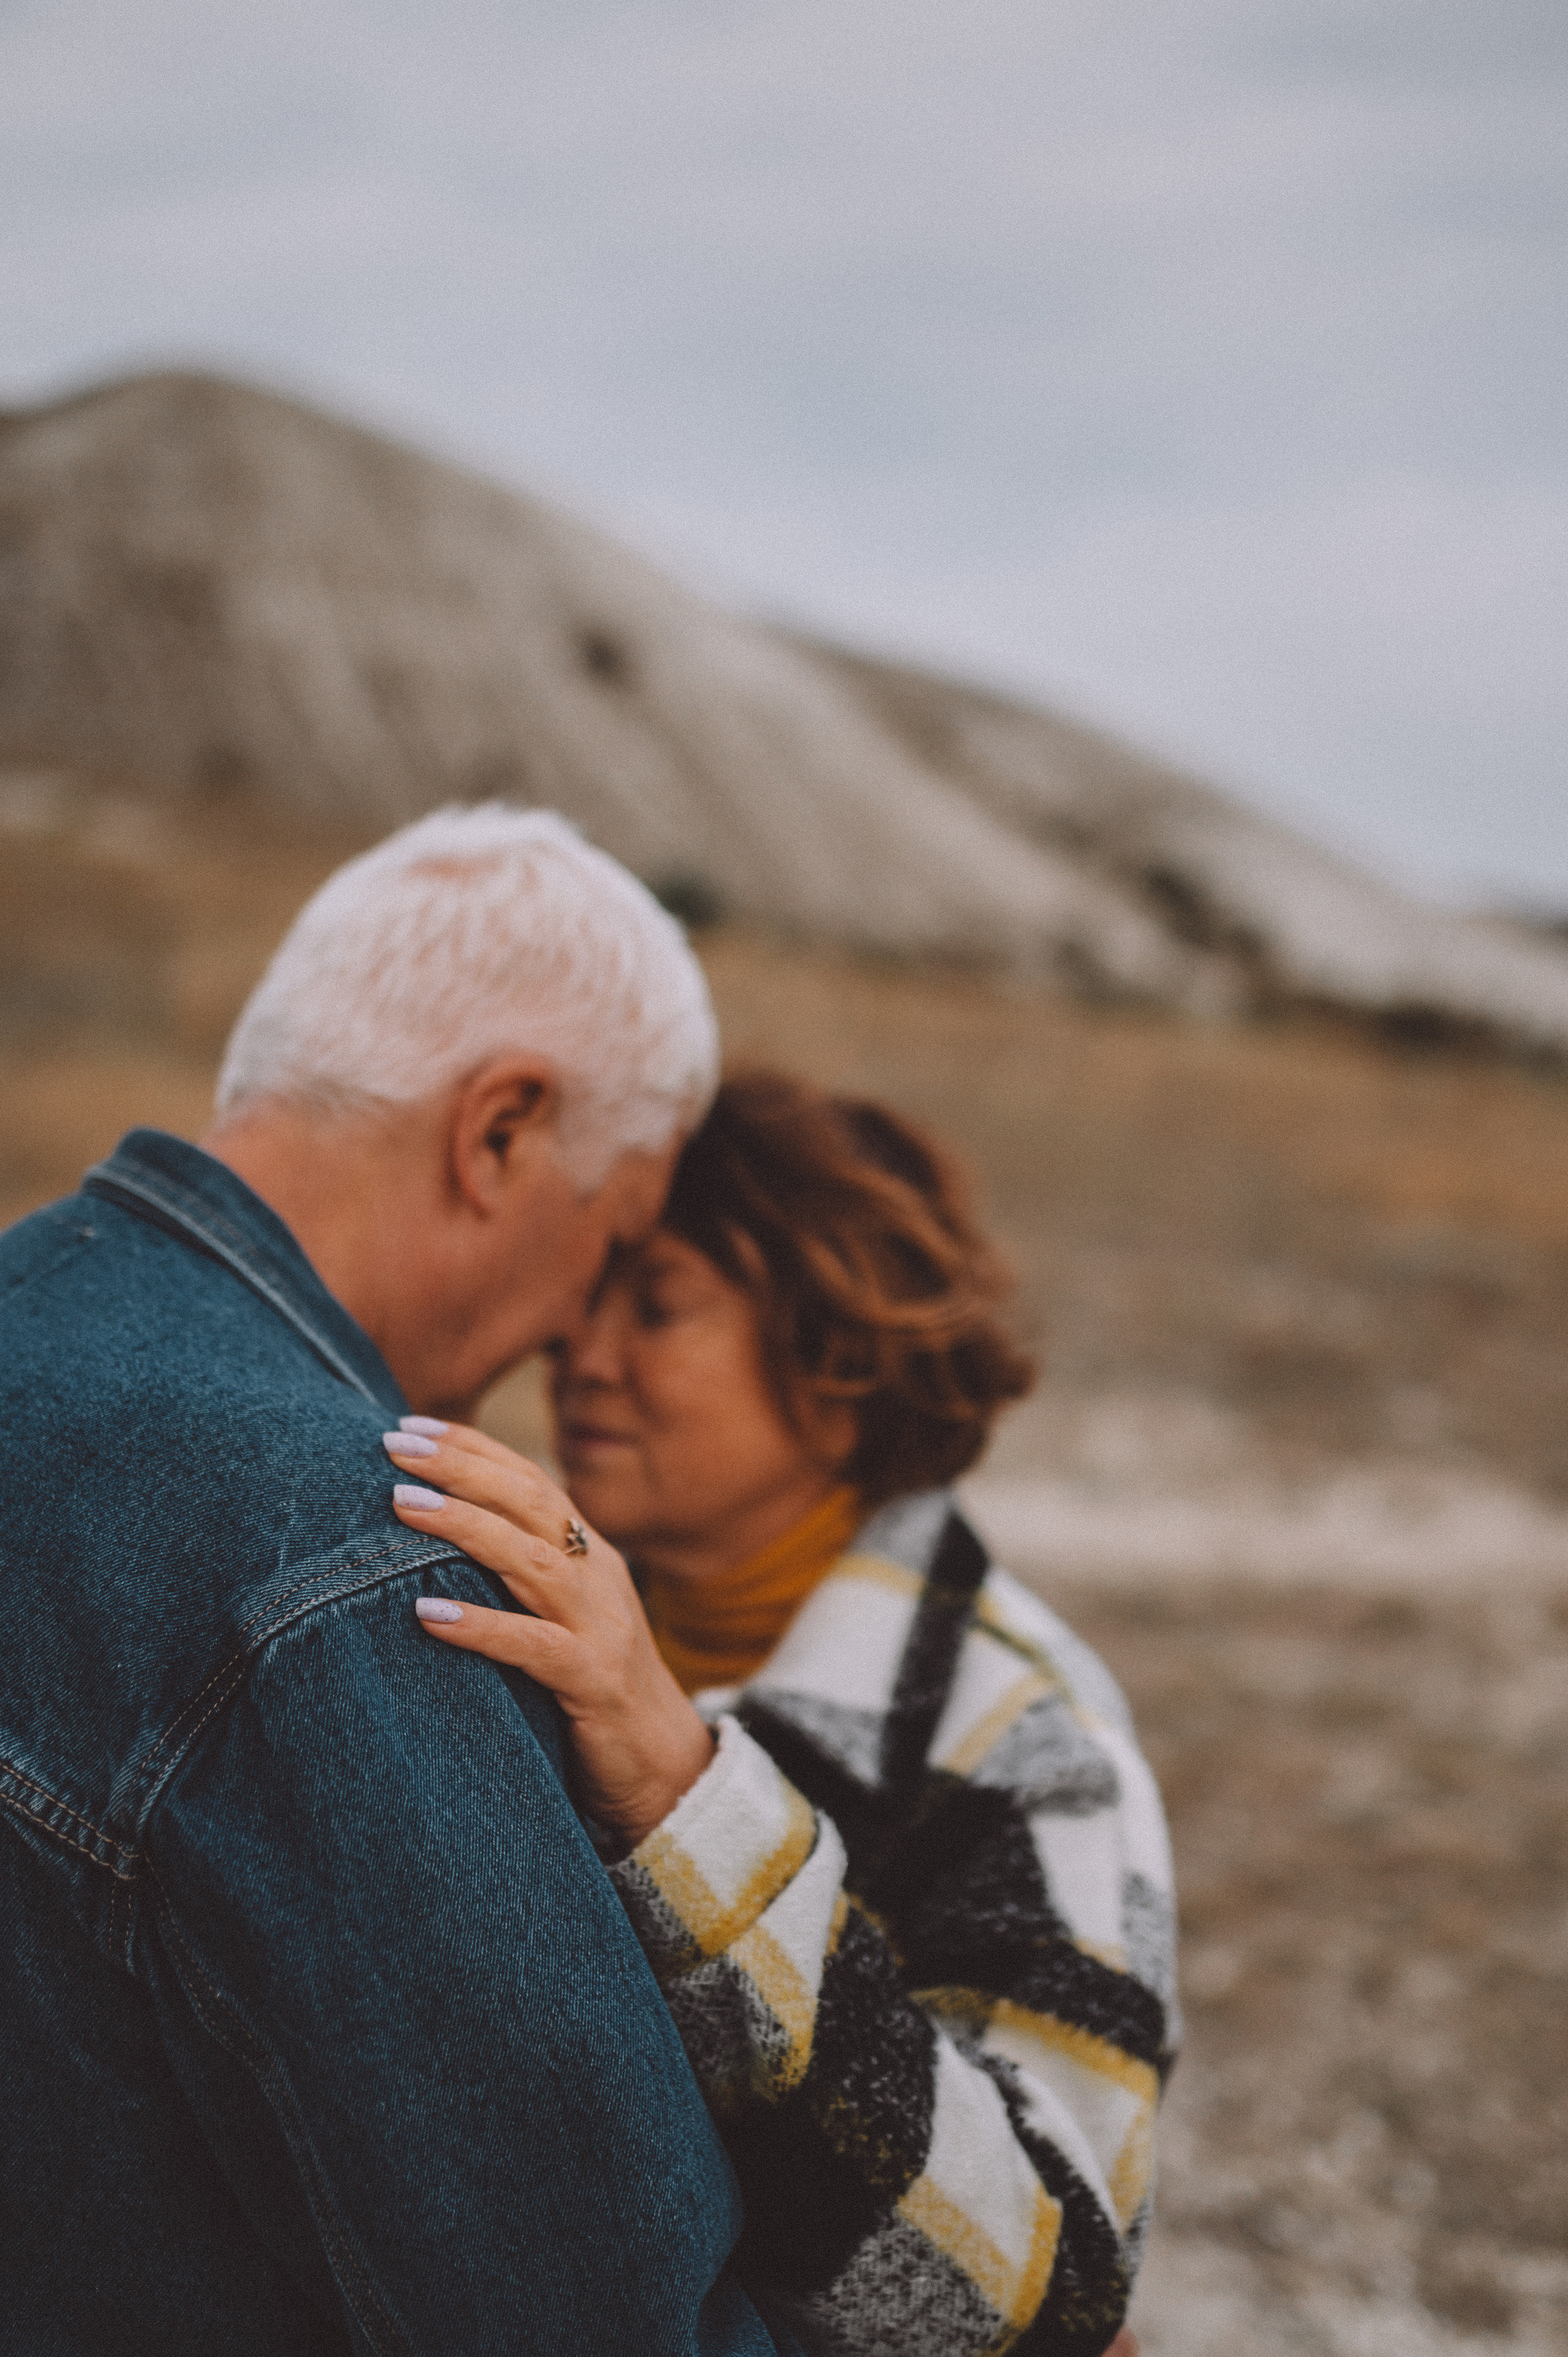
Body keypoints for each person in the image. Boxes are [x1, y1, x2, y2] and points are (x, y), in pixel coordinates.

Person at [0, 809, 797, 2355]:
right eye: (610, 1238)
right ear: (500, 1129)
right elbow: (603, 2315)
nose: (580, 1338)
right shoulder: (358, 1556)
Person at [382, 1070, 1176, 2356]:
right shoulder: (546, 1627)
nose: (580, 1352)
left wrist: (688, 1800)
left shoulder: (1025, 1735)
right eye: (591, 1292)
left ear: (841, 1349)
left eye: (660, 1304)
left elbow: (1050, 2293)